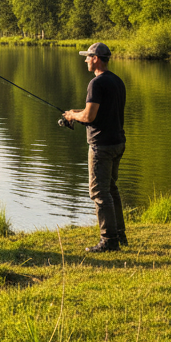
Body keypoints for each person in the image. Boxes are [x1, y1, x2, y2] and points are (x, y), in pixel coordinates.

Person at [63, 42, 128, 252]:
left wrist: (73, 115)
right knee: (111, 189)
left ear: (97, 58)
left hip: (102, 146)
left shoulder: (96, 84)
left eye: (88, 56)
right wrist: (76, 112)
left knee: (100, 192)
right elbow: (99, 112)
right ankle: (119, 235)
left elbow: (89, 116)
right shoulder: (117, 81)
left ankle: (109, 240)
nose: (85, 60)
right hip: (118, 142)